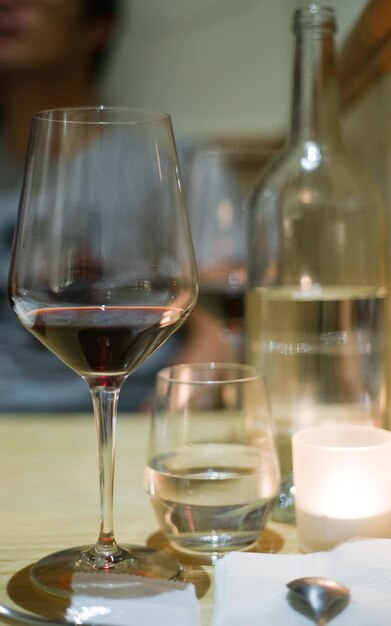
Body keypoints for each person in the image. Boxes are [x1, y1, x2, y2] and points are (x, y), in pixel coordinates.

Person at [0, 0, 227, 412]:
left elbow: (220, 327)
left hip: (133, 414)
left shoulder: (178, 164)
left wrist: (154, 428)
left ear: (98, 25)